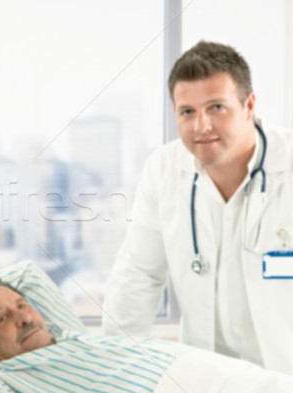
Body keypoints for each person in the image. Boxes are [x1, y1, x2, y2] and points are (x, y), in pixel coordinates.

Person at [102, 40, 293, 375]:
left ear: (248, 105)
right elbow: (139, 274)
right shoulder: (163, 170)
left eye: (216, 107)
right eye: (187, 112)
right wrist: (117, 372)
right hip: (207, 378)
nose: (200, 126)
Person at [0, 266, 293, 393]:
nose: (23, 317)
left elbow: (27, 273)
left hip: (216, 372)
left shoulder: (68, 333)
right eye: (1, 318)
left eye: (21, 305)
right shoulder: (1, 385)